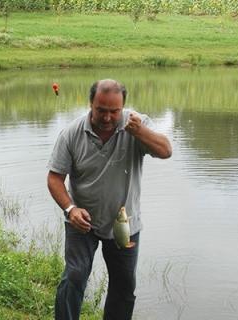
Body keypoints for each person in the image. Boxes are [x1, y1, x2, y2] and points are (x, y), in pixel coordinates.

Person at [47, 79, 172, 320]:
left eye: (114, 112)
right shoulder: (71, 133)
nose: (107, 117)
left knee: (124, 286)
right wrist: (70, 209)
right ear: (91, 104)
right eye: (101, 110)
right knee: (74, 276)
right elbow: (54, 178)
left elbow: (166, 151)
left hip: (124, 225)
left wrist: (141, 133)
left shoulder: (136, 124)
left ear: (123, 107)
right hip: (81, 221)